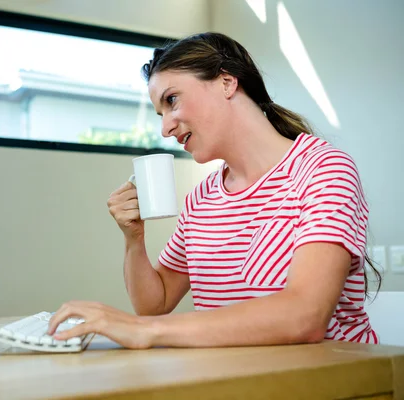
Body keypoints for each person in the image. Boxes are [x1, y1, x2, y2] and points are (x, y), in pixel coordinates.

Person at [47, 32, 382, 348]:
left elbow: (305, 317)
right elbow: (155, 303)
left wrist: (143, 331)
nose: (165, 128)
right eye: (160, 113)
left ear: (226, 82)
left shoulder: (323, 170)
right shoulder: (201, 199)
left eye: (172, 100)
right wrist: (134, 240)